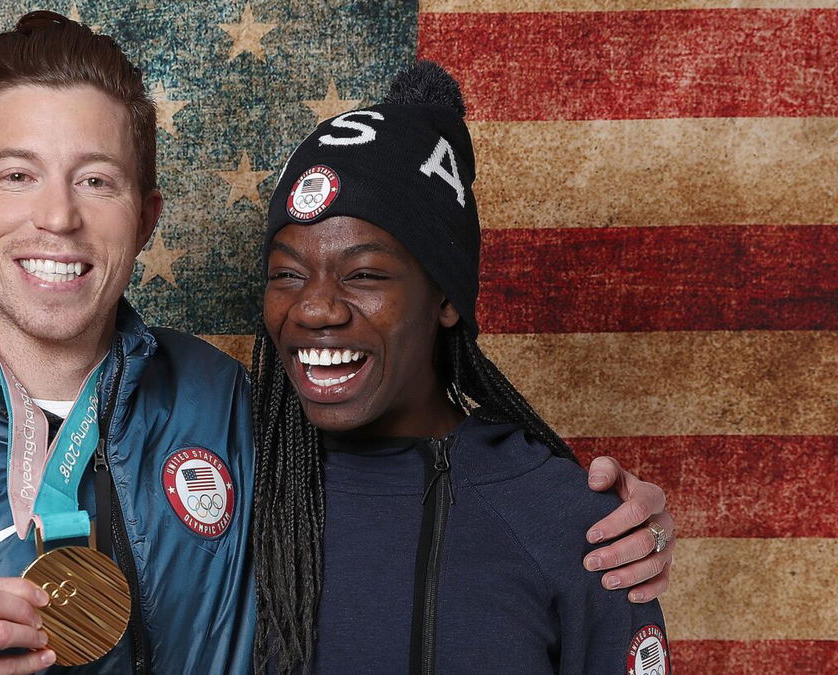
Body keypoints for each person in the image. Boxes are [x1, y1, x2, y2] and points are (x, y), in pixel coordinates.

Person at [0, 14, 672, 675]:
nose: (57, 218)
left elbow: (417, 468)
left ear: (146, 216)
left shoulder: (228, 400)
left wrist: (596, 514)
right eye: (17, 176)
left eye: (96, 181)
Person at [251, 61, 672, 674]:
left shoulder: (573, 524)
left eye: (365, 274)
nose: (314, 307)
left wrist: (626, 524)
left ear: (446, 297)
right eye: (286, 274)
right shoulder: (234, 476)